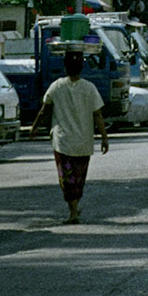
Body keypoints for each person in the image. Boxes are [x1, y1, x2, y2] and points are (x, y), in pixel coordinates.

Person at [34, 50, 108, 224]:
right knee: (79, 178)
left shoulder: (56, 86)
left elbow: (45, 109)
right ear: (82, 68)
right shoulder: (89, 88)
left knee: (67, 178)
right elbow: (98, 114)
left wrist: (34, 127)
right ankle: (74, 208)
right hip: (83, 141)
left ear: (65, 68)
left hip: (63, 142)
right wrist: (104, 137)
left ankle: (73, 211)